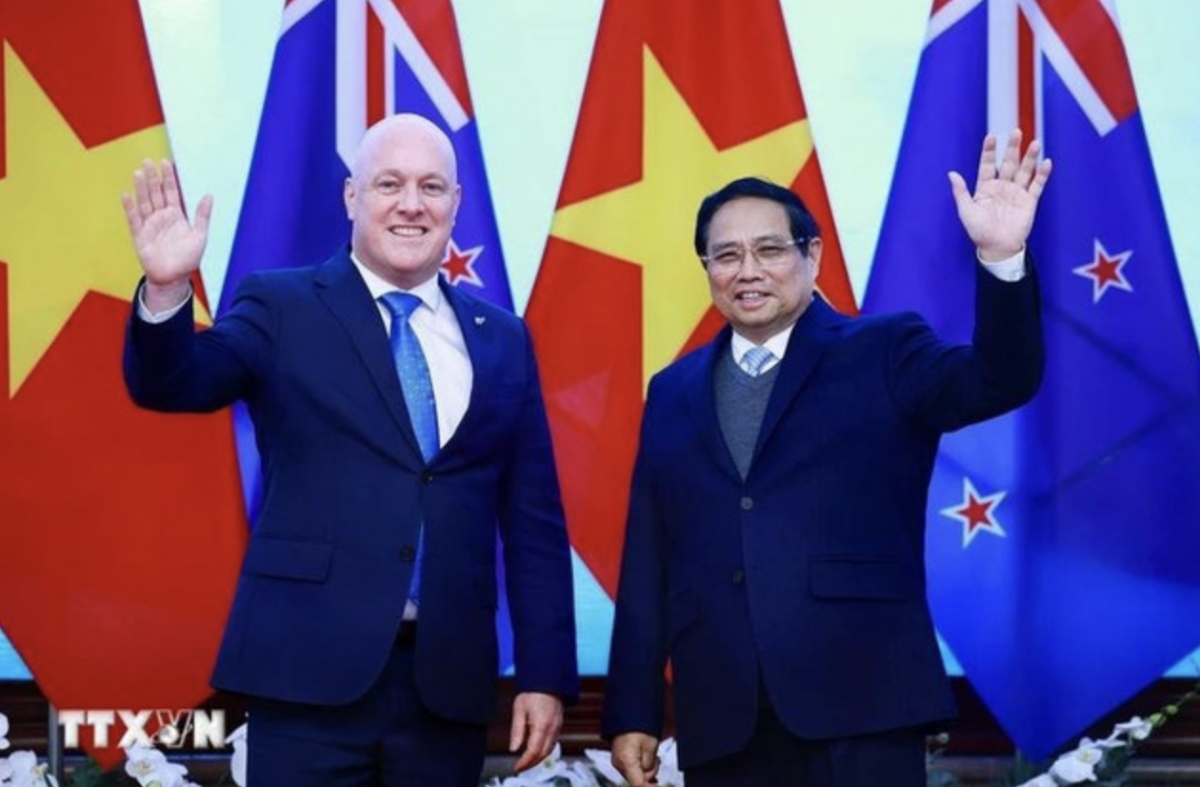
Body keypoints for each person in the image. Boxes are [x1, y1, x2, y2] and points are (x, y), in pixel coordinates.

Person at [121, 113, 579, 787]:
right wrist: (165, 290)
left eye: (431, 186)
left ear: (455, 203)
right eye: (389, 183)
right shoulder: (281, 304)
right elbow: (175, 383)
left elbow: (534, 520)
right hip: (305, 676)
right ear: (350, 198)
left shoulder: (502, 337)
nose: (411, 203)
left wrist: (545, 673)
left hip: (445, 687)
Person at [602, 131, 1051, 787]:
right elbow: (649, 557)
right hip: (723, 717)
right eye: (725, 255)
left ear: (812, 256)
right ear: (706, 270)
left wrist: (1001, 256)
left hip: (863, 704)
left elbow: (1000, 378)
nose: (747, 270)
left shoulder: (883, 348)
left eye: (769, 250)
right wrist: (633, 710)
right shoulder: (672, 391)